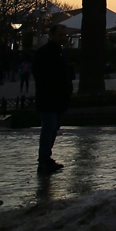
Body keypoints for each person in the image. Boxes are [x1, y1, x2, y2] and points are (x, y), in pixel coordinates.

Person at [33, 24, 72, 175]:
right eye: (60, 35)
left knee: (53, 129)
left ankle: (46, 158)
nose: (63, 38)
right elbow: (40, 75)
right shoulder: (44, 53)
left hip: (59, 99)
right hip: (48, 99)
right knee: (48, 128)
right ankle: (43, 160)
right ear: (51, 35)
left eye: (64, 35)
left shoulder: (61, 53)